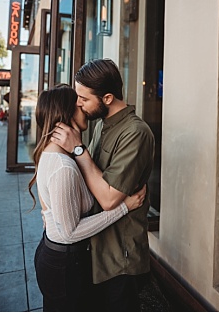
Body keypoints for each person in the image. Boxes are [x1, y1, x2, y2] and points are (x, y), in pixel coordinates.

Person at [28, 84, 146, 311]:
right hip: (64, 265)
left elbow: (51, 212)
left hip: (59, 258)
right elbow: (70, 232)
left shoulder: (57, 154)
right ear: (67, 113)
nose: (83, 106)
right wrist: (124, 207)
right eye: (78, 103)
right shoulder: (63, 166)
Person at [51, 58, 155, 311]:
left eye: (84, 99)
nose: (78, 104)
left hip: (121, 258)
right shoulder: (101, 125)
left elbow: (109, 199)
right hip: (96, 249)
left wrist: (78, 149)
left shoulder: (136, 132)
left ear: (107, 98)